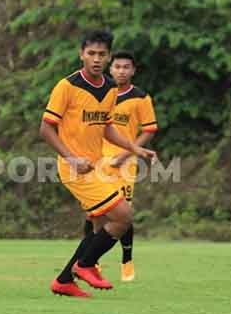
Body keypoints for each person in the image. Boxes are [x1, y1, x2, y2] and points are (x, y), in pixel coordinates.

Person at [40, 31, 155, 298]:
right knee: (123, 216)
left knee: (100, 227)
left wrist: (135, 148)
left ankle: (64, 280)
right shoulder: (66, 86)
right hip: (74, 169)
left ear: (109, 57)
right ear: (81, 54)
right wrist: (71, 158)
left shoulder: (110, 88)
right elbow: (46, 129)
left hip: (96, 167)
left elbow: (107, 129)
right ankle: (86, 265)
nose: (96, 59)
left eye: (102, 54)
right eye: (91, 53)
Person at [97, 51, 157, 281]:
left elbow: (149, 129)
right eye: (117, 67)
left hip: (124, 164)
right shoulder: (100, 93)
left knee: (124, 213)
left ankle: (126, 259)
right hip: (97, 161)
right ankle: (93, 262)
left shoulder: (140, 98)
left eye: (126, 67)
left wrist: (127, 153)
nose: (121, 71)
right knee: (94, 213)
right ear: (110, 69)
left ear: (133, 70)